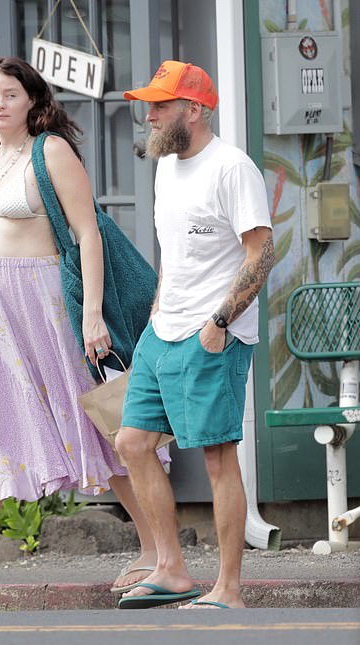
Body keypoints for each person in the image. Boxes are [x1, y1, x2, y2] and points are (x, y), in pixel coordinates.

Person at [0, 56, 161, 612]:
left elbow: (87, 234)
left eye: (8, 95)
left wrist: (92, 313)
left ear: (32, 100)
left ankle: (157, 551)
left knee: (102, 421)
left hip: (51, 303)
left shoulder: (50, 150)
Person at [114, 60, 275, 610]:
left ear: (196, 110)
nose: (149, 115)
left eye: (160, 106)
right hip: (163, 331)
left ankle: (228, 589)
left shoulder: (233, 168)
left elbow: (261, 254)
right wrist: (160, 310)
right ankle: (171, 569)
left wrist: (219, 324)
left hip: (214, 334)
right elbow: (177, 252)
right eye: (149, 105)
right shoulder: (166, 166)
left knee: (217, 459)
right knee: (131, 443)